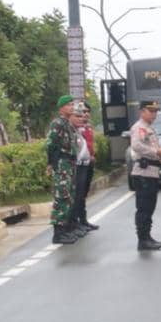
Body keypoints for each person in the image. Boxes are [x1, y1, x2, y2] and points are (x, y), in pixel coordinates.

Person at [130, 100, 161, 250]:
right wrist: (156, 152)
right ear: (142, 111)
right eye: (151, 111)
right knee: (144, 208)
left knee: (150, 207)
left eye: (156, 111)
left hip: (151, 172)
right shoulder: (139, 127)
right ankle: (142, 240)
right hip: (143, 173)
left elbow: (151, 147)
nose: (154, 114)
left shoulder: (149, 128)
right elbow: (136, 145)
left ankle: (147, 236)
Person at [45, 94, 79, 245]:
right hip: (61, 163)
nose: (72, 107)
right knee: (62, 197)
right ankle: (58, 233)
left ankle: (65, 229)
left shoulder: (68, 124)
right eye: (69, 104)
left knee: (69, 196)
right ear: (62, 108)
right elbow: (51, 144)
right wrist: (51, 163)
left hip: (69, 163)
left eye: (73, 104)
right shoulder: (57, 123)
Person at [67, 101, 100, 237]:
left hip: (88, 162)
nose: (84, 115)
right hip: (78, 164)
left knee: (84, 194)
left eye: (87, 112)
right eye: (82, 112)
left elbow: (89, 145)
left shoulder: (88, 127)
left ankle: (83, 220)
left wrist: (92, 155)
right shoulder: (75, 128)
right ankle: (76, 223)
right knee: (78, 194)